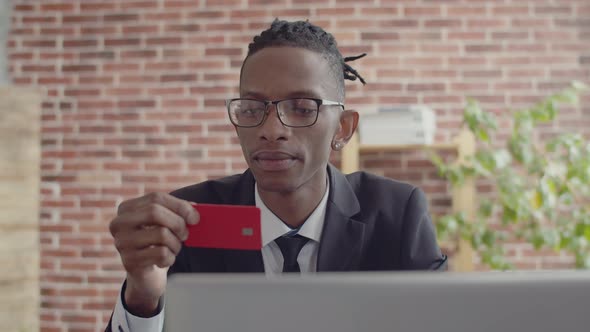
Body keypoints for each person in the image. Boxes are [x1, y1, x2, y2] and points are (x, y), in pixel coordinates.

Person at [106, 19, 447, 332]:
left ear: (342, 129)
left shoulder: (397, 216)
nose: (272, 130)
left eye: (301, 108)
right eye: (253, 109)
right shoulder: (185, 220)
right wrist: (142, 296)